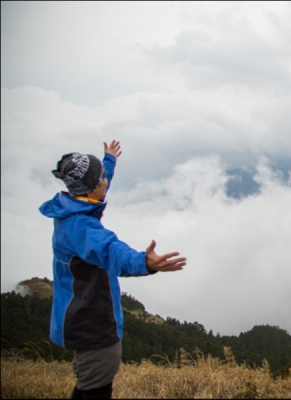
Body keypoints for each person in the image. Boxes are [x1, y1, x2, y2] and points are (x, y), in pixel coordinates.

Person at [39, 140, 186, 399]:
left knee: (88, 383)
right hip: (91, 325)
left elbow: (96, 183)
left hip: (79, 318)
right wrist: (144, 262)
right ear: (94, 187)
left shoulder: (73, 206)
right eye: (103, 179)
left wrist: (109, 161)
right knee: (96, 388)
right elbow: (111, 250)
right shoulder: (82, 228)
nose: (106, 181)